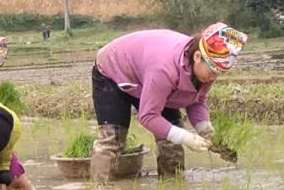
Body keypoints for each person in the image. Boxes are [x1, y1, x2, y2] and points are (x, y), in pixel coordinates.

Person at [90, 23, 245, 180]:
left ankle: (172, 186)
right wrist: (185, 137)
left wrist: (205, 130)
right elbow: (148, 116)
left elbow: (196, 101)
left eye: (218, 73)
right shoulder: (164, 68)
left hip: (149, 76)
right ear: (197, 56)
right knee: (113, 139)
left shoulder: (206, 70)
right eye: (212, 71)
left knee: (171, 141)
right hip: (114, 70)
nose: (213, 77)